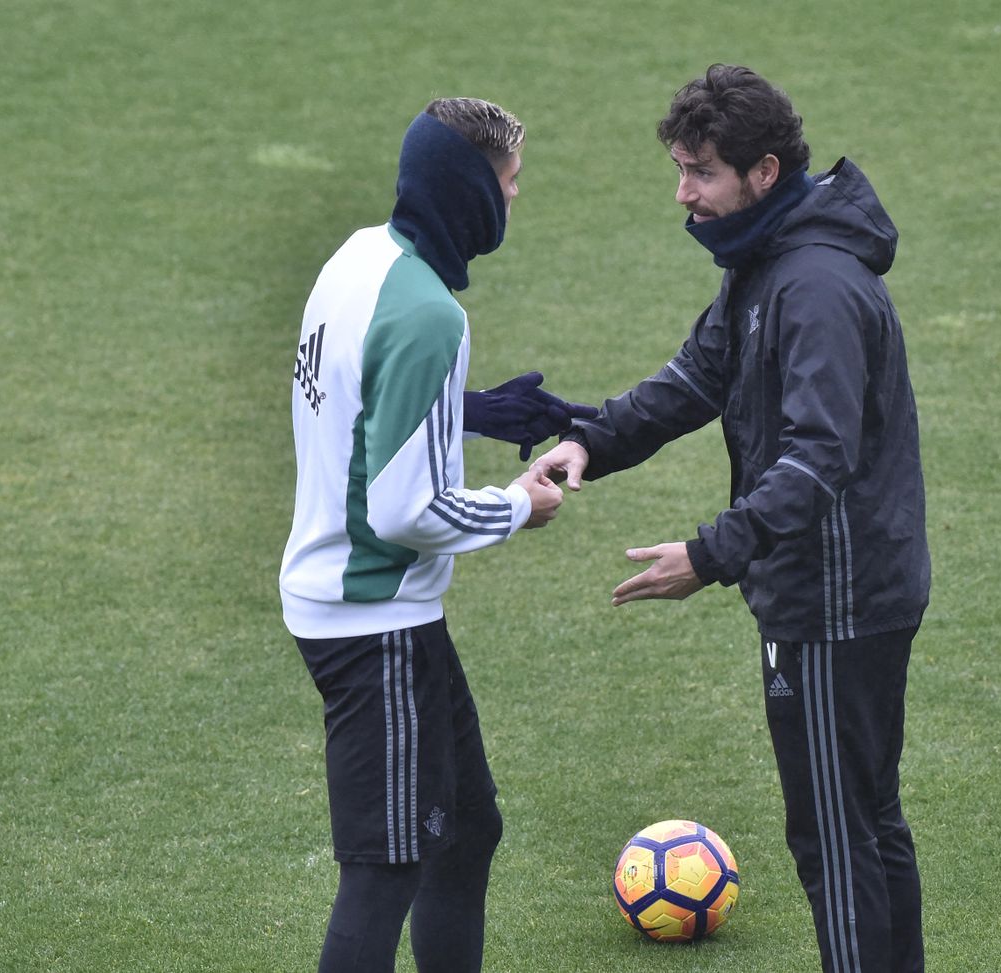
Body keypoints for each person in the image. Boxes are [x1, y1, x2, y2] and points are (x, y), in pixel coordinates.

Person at [531, 64, 931, 972]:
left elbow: (817, 459)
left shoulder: (815, 285)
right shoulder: (765, 264)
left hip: (837, 599)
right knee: (865, 819)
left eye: (701, 172)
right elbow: (694, 379)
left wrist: (708, 554)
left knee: (838, 837)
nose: (683, 194)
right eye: (679, 168)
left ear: (763, 172)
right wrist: (591, 439)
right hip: (841, 587)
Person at [280, 97, 592, 973]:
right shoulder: (430, 316)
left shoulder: (360, 257)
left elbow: (349, 394)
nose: (516, 198)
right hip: (373, 624)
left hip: (368, 611)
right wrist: (516, 505)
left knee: (466, 828)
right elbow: (402, 512)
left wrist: (465, 411)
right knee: (387, 868)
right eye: (508, 181)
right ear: (467, 193)